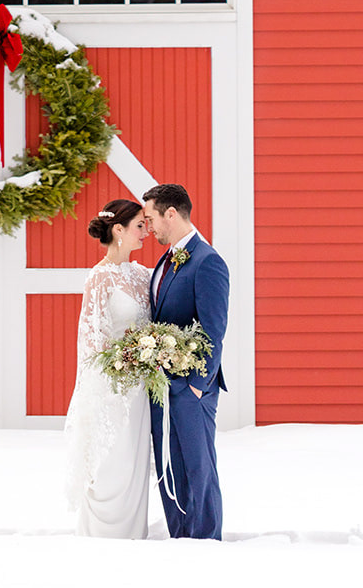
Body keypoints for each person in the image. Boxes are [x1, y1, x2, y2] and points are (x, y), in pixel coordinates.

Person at [143, 182, 229, 540]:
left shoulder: (208, 262)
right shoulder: (165, 260)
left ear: (171, 214)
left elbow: (213, 330)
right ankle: (180, 537)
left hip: (192, 388)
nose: (148, 227)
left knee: (198, 468)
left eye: (150, 219)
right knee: (169, 466)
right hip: (162, 386)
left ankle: (206, 539)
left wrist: (196, 385)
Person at [64, 198, 153, 538]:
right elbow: (91, 338)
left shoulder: (144, 275)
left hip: (143, 387)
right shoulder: (100, 278)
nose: (146, 232)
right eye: (140, 226)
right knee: (114, 462)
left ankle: (134, 534)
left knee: (135, 462)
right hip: (114, 387)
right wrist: (119, 364)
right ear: (119, 230)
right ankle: (103, 537)